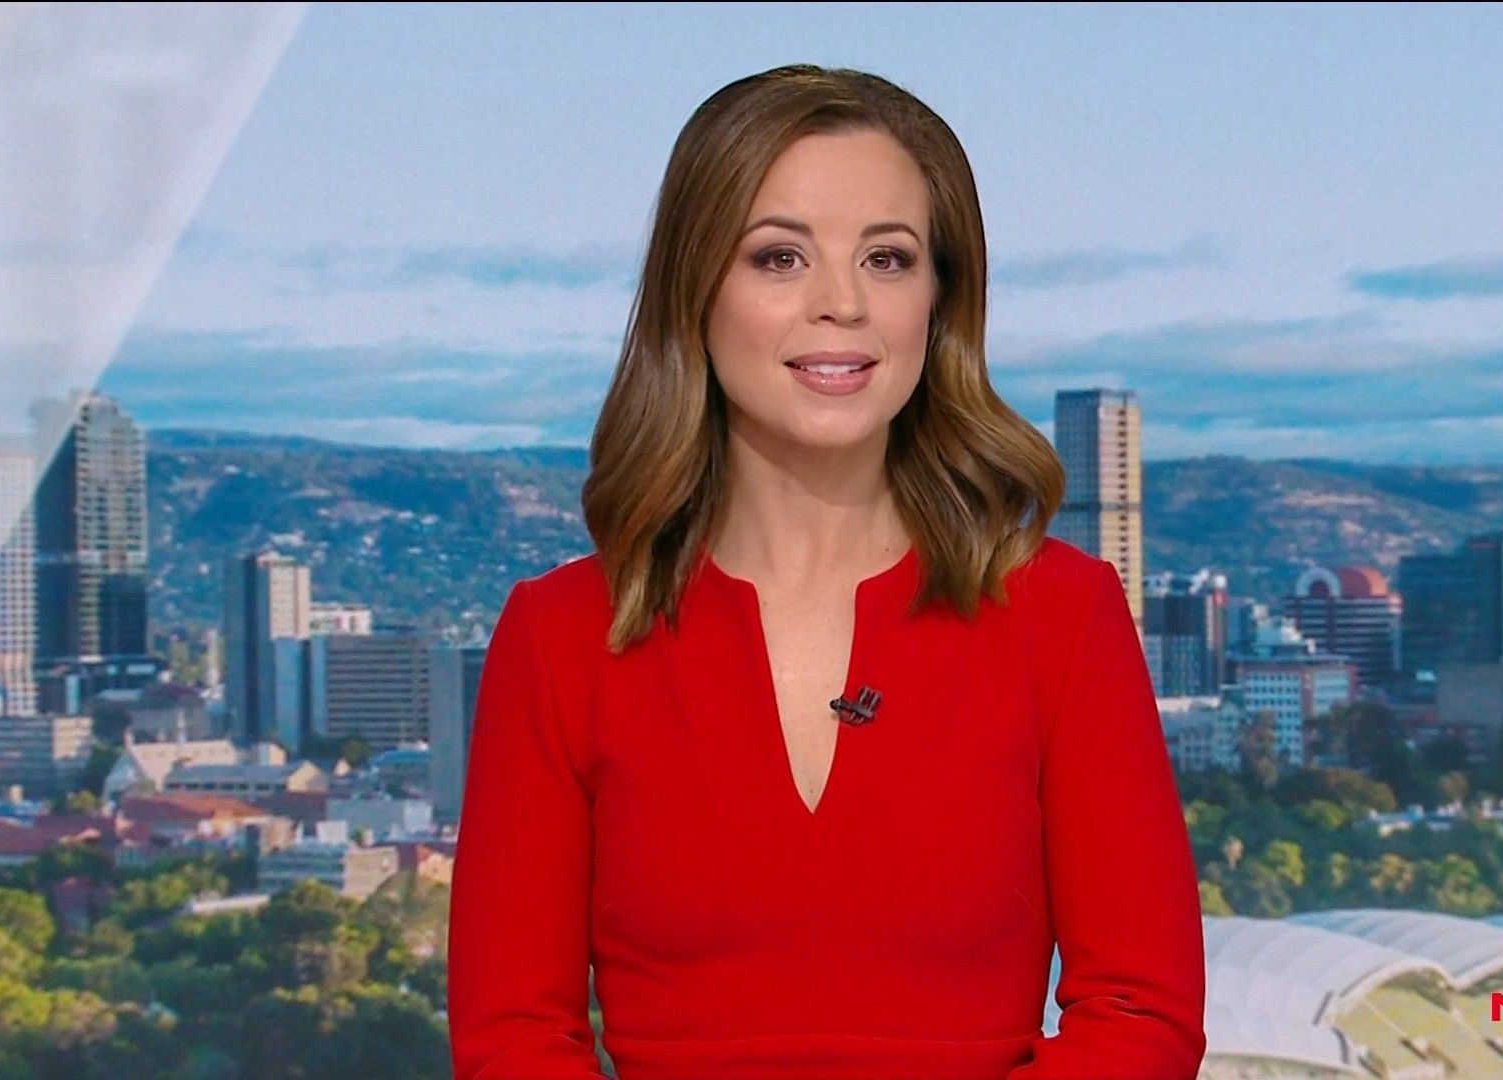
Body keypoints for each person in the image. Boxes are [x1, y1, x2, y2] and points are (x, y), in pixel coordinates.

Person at [448, 63, 1206, 1080]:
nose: (841, 303)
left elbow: (1143, 1015)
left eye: (888, 259)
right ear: (694, 290)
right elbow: (512, 1039)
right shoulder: (560, 635)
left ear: (939, 301)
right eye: (780, 257)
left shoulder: (1061, 613)